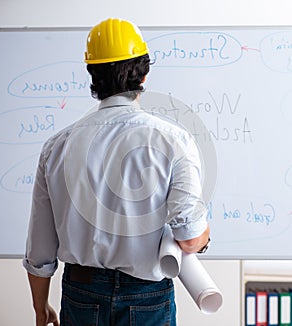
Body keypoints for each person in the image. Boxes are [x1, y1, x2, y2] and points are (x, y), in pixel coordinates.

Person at [23, 17, 210, 326]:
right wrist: (203, 238)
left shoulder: (56, 147)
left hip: (79, 294)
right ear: (144, 74)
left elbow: (40, 251)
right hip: (148, 297)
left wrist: (40, 308)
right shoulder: (173, 141)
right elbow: (190, 239)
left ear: (92, 75)